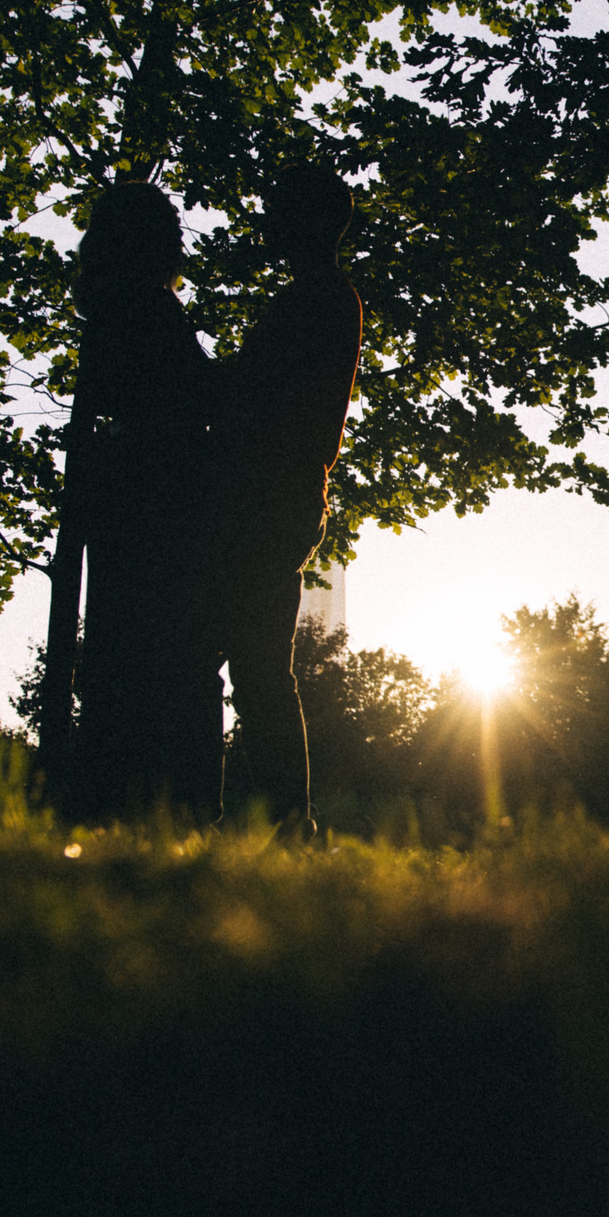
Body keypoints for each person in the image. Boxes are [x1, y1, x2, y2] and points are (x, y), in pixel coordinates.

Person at [208, 165, 367, 830]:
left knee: (249, 669)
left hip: (266, 502)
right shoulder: (326, 298)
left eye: (277, 213)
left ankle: (271, 820)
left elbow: (250, 395)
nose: (267, 226)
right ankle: (286, 822)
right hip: (285, 499)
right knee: (259, 669)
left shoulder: (312, 301)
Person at [66, 179, 223, 816]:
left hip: (118, 496)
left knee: (115, 651)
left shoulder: (103, 312)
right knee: (182, 661)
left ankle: (109, 802)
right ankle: (183, 811)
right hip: (170, 500)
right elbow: (200, 398)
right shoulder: (154, 314)